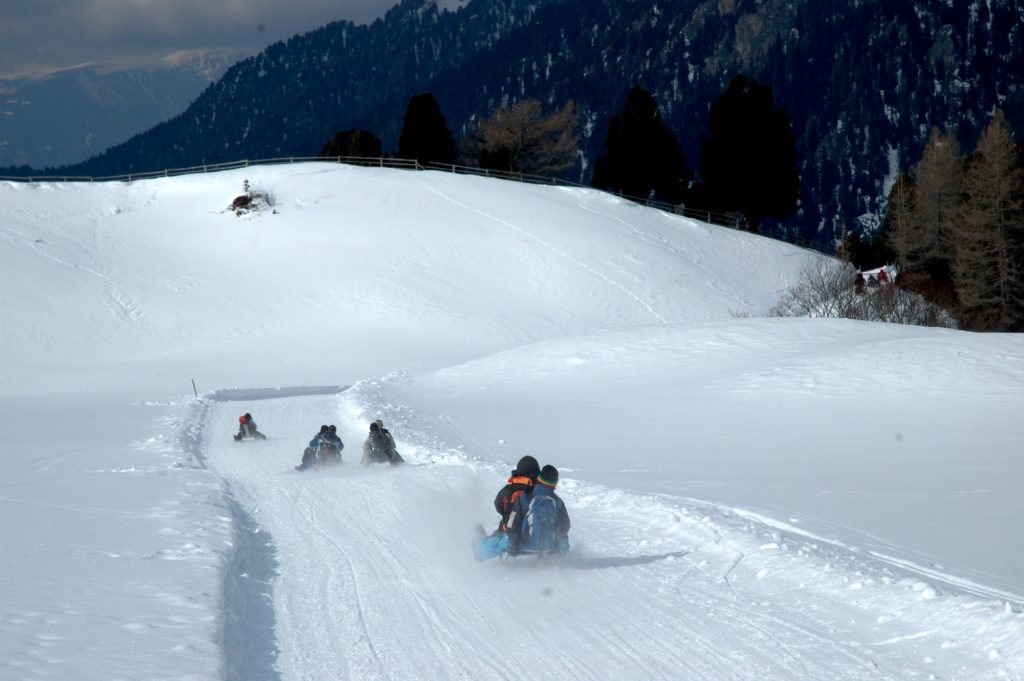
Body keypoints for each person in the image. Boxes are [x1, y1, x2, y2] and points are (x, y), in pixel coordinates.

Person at [515, 465, 570, 556]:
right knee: (564, 536)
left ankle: (487, 552)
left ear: (538, 479)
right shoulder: (557, 501)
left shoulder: (523, 496)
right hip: (550, 547)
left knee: (508, 531)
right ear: (554, 484)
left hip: (524, 546)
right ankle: (562, 555)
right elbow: (566, 525)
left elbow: (514, 522)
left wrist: (513, 544)